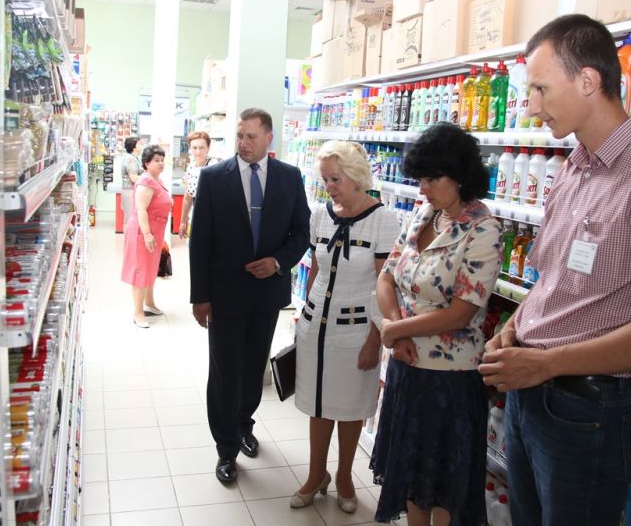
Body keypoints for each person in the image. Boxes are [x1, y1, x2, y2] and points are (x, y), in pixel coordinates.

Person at [478, 14, 631, 526]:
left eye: (540, 88)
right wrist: (516, 329)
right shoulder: (574, 167)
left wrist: (549, 363)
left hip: (585, 408)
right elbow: (556, 279)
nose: (530, 106)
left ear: (587, 81)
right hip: (529, 394)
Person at [371, 123, 503, 526]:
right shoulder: (423, 214)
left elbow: (461, 312)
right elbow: (386, 278)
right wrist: (396, 330)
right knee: (413, 475)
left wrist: (396, 331)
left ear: (459, 175)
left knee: (445, 480)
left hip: (450, 380)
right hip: (407, 366)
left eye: (431, 178)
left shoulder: (483, 229)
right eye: (420, 178)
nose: (423, 187)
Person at [189, 108, 310, 483]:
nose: (243, 143)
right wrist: (200, 296)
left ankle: (244, 425)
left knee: (253, 367)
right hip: (224, 294)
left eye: (251, 137)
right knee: (224, 372)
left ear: (268, 138)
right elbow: (200, 241)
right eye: (239, 136)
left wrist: (278, 262)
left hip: (266, 293)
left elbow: (301, 233)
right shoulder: (214, 178)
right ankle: (225, 449)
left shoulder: (289, 177)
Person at [291, 141, 399, 513]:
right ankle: (315, 474)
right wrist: (304, 312)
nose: (329, 187)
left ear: (356, 177)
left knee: (351, 406)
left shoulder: (383, 220)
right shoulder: (320, 215)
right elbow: (316, 268)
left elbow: (384, 284)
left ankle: (345, 476)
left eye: (335, 179)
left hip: (356, 330)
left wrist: (374, 339)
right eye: (325, 180)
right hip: (315, 326)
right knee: (318, 403)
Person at [120, 144, 172, 328]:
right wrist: (148, 234)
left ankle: (149, 303)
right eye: (156, 160)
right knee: (140, 270)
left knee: (151, 268)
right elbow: (141, 209)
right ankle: (138, 312)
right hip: (143, 231)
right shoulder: (146, 182)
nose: (161, 163)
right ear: (146, 163)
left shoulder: (157, 180)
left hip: (155, 231)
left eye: (162, 160)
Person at [179, 131, 219, 239]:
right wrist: (183, 221)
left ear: (208, 148)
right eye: (194, 148)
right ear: (190, 148)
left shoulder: (215, 167)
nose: (198, 151)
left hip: (212, 220)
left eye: (201, 148)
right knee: (193, 246)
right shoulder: (190, 168)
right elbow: (187, 198)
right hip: (194, 217)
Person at [117, 136, 143, 225]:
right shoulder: (130, 159)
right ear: (134, 146)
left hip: (133, 190)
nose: (141, 145)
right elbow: (133, 178)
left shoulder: (135, 158)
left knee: (131, 218)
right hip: (130, 190)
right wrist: (148, 178)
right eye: (139, 144)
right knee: (130, 219)